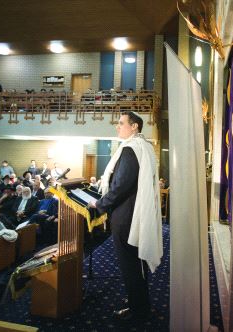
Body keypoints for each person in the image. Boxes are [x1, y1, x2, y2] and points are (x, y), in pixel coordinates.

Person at [88, 111, 162, 321]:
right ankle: (138, 302)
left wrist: (100, 204)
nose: (117, 127)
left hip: (126, 217)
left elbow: (120, 185)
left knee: (130, 265)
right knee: (135, 265)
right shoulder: (143, 147)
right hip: (132, 213)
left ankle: (138, 310)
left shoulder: (131, 149)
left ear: (135, 126)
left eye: (121, 123)